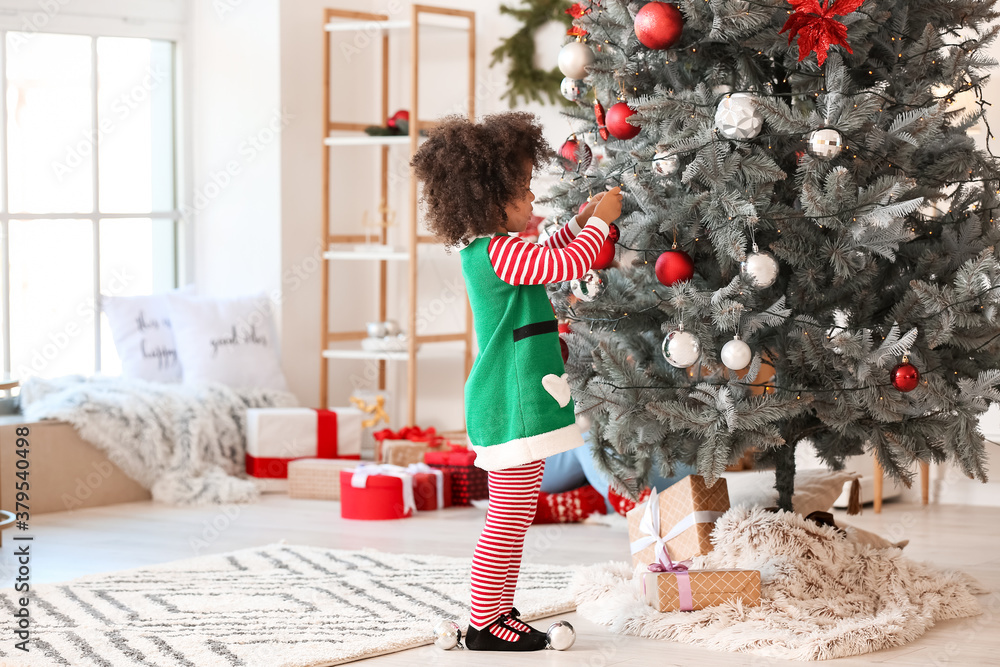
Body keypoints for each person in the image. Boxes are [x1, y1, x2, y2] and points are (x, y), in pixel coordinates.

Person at [410, 112, 623, 651]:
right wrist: (602, 225)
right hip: (511, 399)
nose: (532, 201)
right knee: (509, 515)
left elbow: (549, 251)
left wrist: (580, 220)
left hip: (513, 395)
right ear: (489, 198)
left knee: (516, 509)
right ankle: (487, 621)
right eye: (523, 191)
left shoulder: (491, 250)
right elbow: (567, 263)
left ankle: (492, 611)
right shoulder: (497, 252)